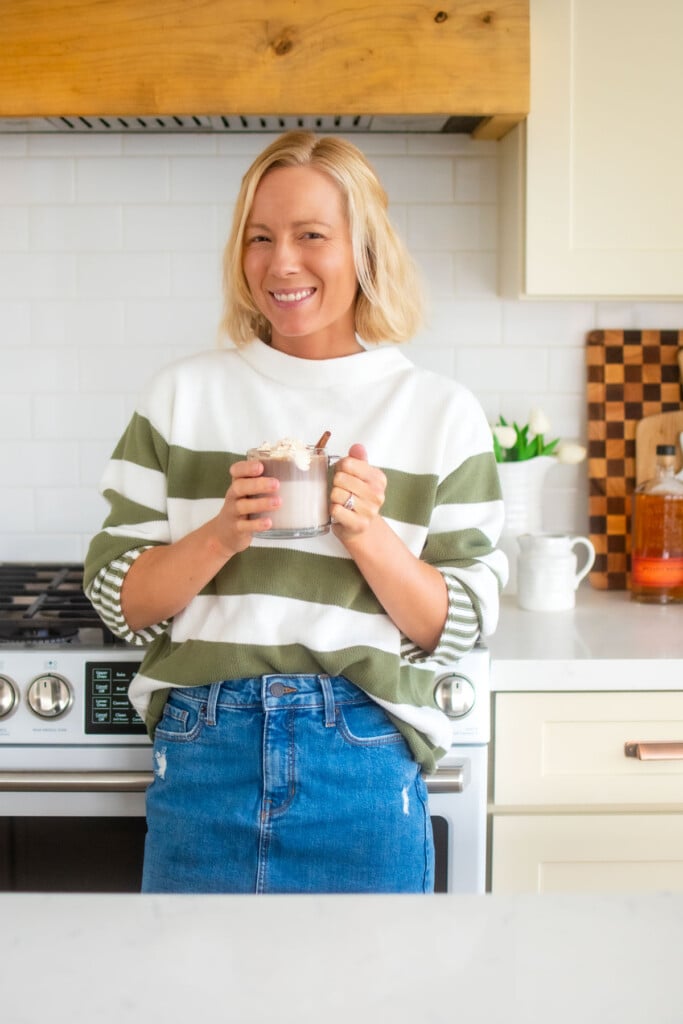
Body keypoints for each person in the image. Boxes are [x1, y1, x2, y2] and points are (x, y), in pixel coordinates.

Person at [84, 131, 507, 894]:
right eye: (259, 238)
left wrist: (366, 533)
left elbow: (458, 625)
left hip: (364, 752)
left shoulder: (439, 412)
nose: (281, 263)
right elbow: (122, 601)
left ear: (364, 251)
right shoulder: (182, 396)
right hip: (202, 748)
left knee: (366, 1003)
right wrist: (221, 533)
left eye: (311, 235)